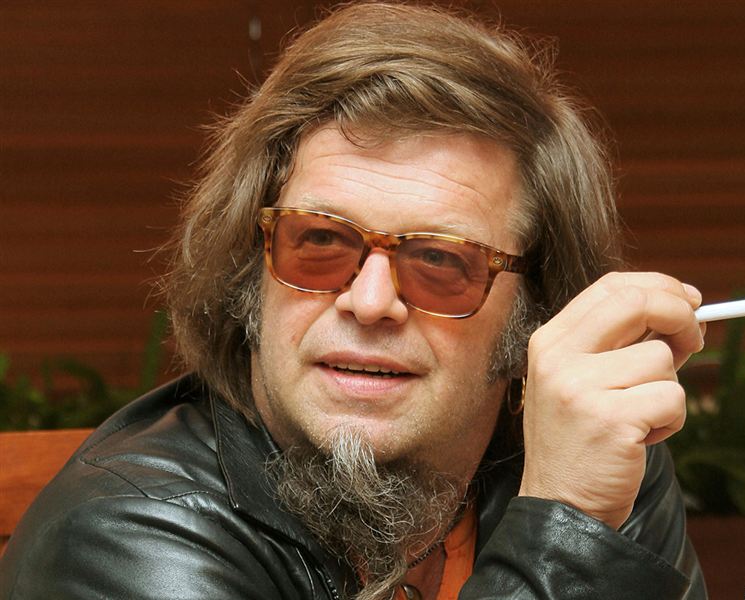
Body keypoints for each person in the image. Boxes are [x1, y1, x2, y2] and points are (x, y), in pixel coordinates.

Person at [0, 3, 708, 599]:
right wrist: (566, 523)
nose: (369, 303)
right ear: (251, 271)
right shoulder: (128, 536)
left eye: (439, 260)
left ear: (538, 308)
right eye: (319, 241)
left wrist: (573, 507)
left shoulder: (589, 457)